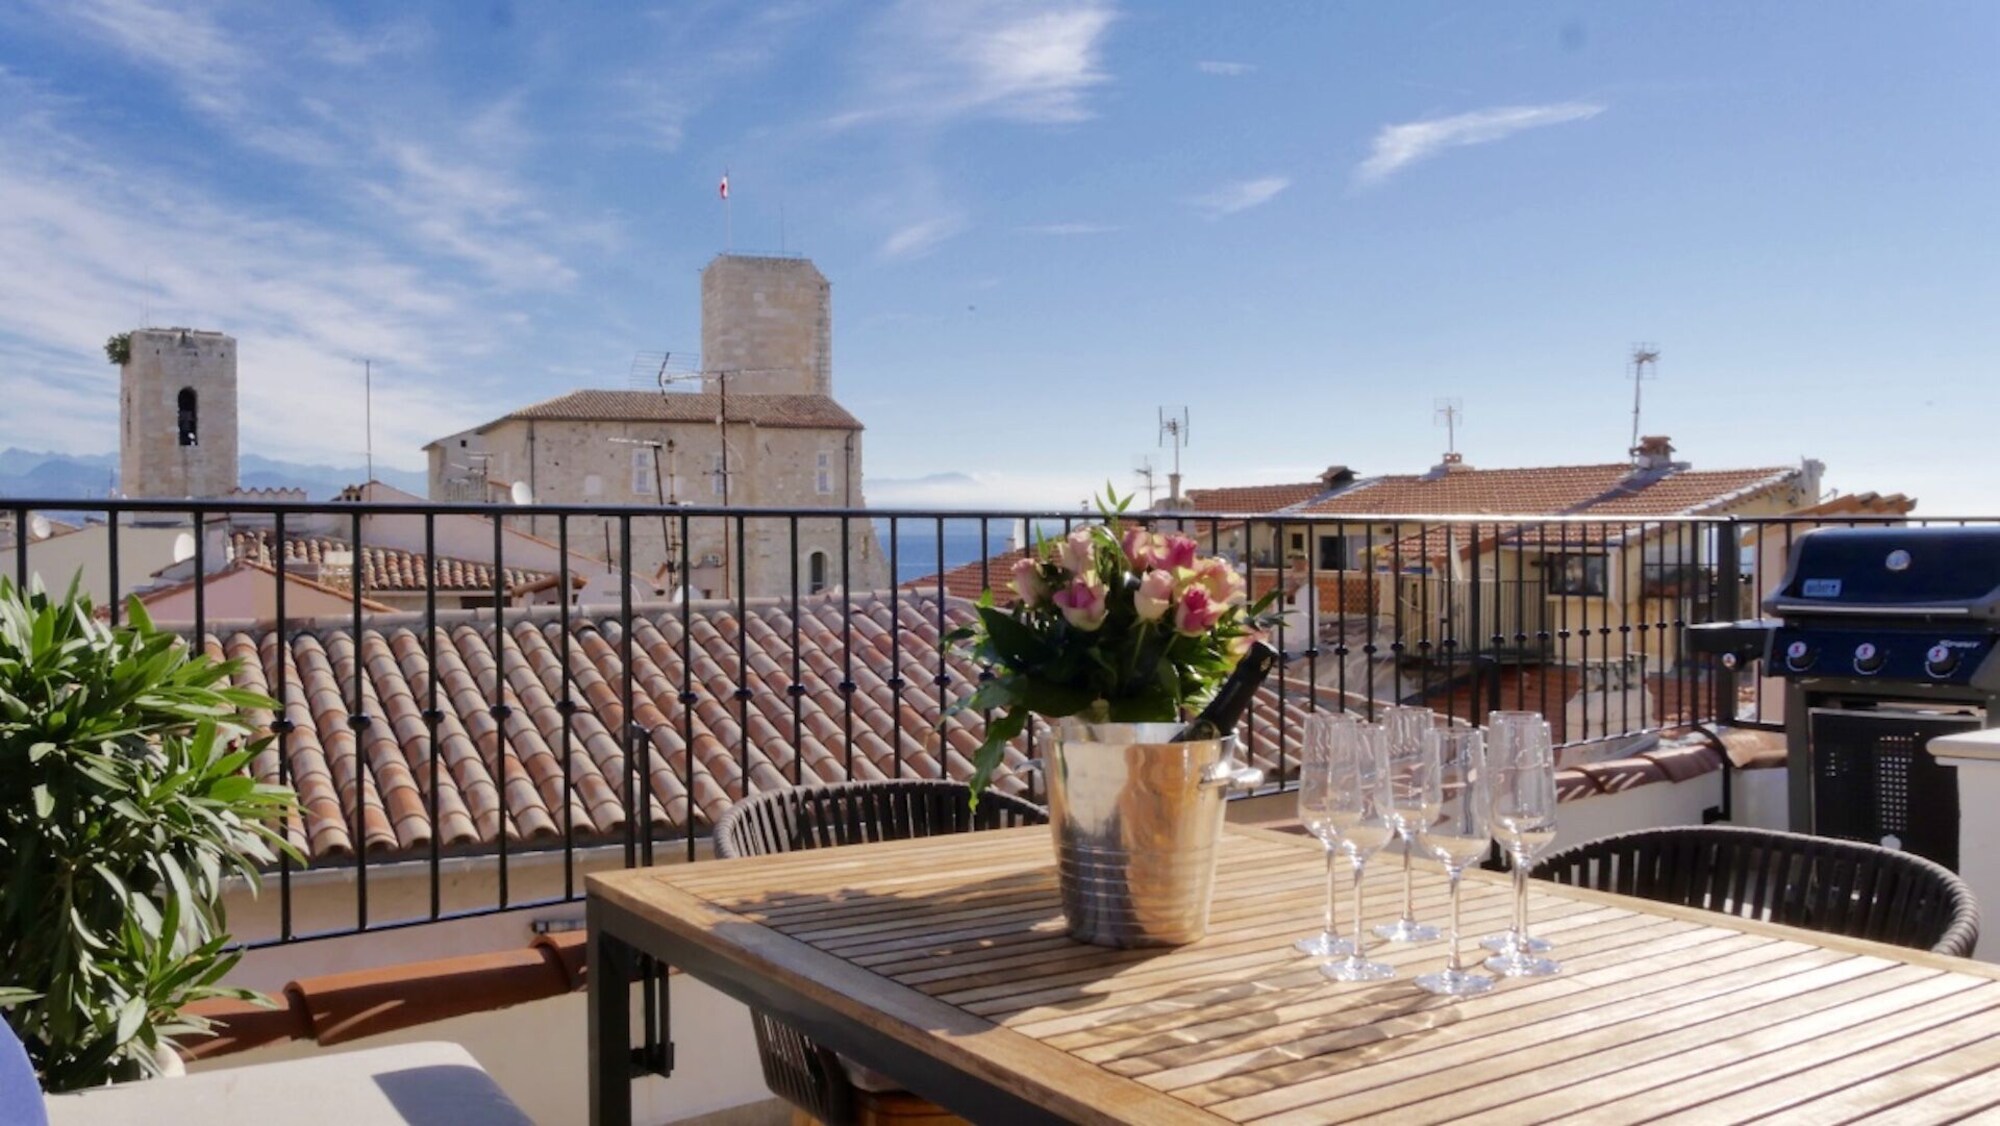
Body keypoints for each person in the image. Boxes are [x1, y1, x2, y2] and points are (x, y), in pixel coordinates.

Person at [1280, 553, 1319, 655]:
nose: (1296, 563)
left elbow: (1302, 585)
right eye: (1294, 561)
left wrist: (1292, 590)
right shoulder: (1289, 574)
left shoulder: (1308, 574)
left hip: (1302, 606)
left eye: (1298, 561)